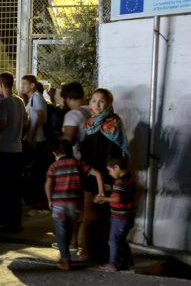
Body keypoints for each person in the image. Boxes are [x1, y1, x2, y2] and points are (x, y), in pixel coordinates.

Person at [79, 88, 130, 263]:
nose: (97, 104)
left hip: (107, 178)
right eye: (93, 101)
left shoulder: (112, 123)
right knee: (90, 216)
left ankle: (103, 254)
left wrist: (109, 181)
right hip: (90, 175)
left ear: (109, 103)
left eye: (101, 101)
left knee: (104, 218)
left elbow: (113, 154)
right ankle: (89, 252)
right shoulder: (89, 123)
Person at [45, 139, 104, 270]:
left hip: (59, 203)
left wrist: (49, 199)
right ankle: (66, 255)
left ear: (55, 153)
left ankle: (65, 260)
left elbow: (48, 184)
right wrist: (101, 192)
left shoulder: (53, 167)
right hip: (75, 203)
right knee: (70, 228)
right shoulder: (78, 163)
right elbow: (98, 174)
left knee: (60, 231)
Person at [0, 72, 28, 233]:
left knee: (0, 185)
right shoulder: (19, 101)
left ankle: (5, 218)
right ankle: (13, 219)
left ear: (1, 84)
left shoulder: (3, 103)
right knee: (14, 186)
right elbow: (26, 121)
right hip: (17, 147)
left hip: (4, 148)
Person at [95, 157, 136, 272]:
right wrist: (109, 191)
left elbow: (118, 198)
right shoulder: (129, 178)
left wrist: (104, 199)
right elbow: (120, 193)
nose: (109, 173)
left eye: (110, 170)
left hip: (120, 217)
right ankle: (129, 263)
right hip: (128, 216)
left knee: (113, 240)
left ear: (116, 167)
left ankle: (112, 264)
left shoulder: (119, 182)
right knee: (121, 240)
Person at [21, 74, 50, 208]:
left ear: (32, 85)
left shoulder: (37, 98)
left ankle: (36, 199)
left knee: (35, 170)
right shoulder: (32, 98)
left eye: (25, 84)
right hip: (33, 137)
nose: (22, 87)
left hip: (37, 139)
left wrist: (32, 135)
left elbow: (39, 116)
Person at [61, 82, 91, 159]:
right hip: (93, 156)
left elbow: (68, 142)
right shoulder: (92, 110)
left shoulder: (72, 115)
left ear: (67, 98)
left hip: (77, 159)